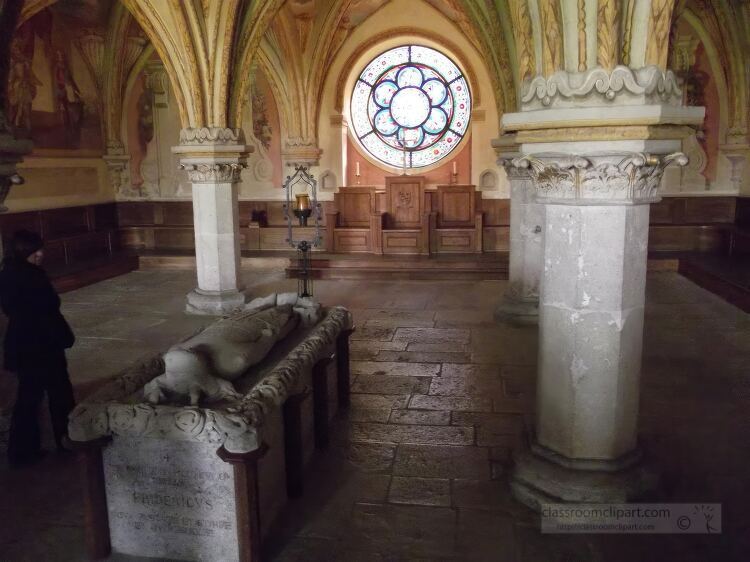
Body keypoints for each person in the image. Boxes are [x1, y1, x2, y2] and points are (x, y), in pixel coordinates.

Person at [0, 230, 76, 467]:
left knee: (29, 398)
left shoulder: (8, 273)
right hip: (42, 343)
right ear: (22, 252)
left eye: (40, 249)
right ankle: (67, 439)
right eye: (34, 251)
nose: (40, 254)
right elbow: (44, 310)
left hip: (24, 343)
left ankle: (22, 451)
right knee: (58, 393)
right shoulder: (31, 277)